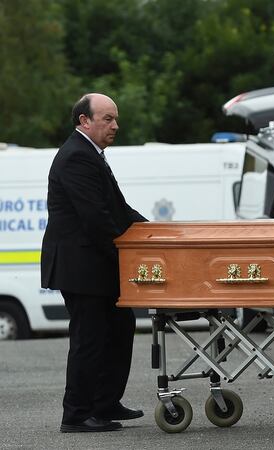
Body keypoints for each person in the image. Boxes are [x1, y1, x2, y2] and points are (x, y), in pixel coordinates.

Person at [41, 93, 147, 433]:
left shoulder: (92, 155)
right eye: (107, 119)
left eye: (115, 119)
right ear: (84, 121)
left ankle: (104, 403)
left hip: (93, 264)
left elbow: (119, 209)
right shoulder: (76, 157)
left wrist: (158, 232)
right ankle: (76, 415)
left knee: (119, 327)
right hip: (81, 267)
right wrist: (127, 258)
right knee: (90, 338)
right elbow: (97, 219)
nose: (116, 125)